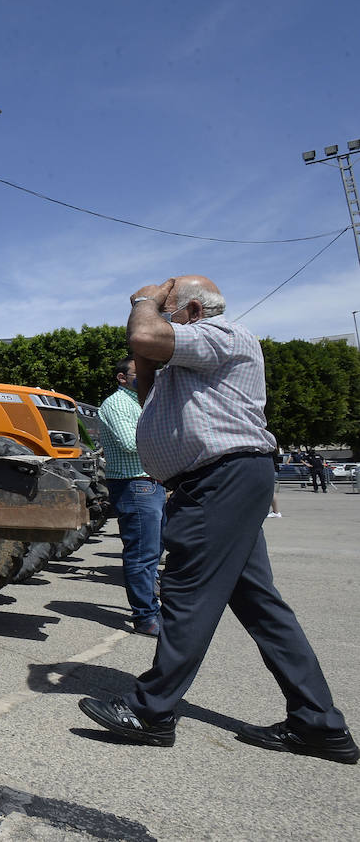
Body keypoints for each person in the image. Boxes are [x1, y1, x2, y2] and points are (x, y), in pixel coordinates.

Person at [78, 275, 357, 764]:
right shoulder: (190, 359)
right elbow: (147, 390)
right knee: (261, 606)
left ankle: (151, 712)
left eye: (167, 310)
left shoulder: (222, 334)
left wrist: (145, 300)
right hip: (219, 480)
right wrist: (150, 340)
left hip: (218, 479)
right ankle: (319, 724)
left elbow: (143, 337)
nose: (158, 317)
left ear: (189, 311)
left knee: (185, 594)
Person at [96, 356, 164, 636]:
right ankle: (146, 616)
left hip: (151, 483)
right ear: (121, 378)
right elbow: (129, 442)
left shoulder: (141, 401)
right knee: (141, 554)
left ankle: (153, 606)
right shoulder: (117, 403)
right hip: (135, 486)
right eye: (138, 372)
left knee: (154, 551)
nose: (145, 376)